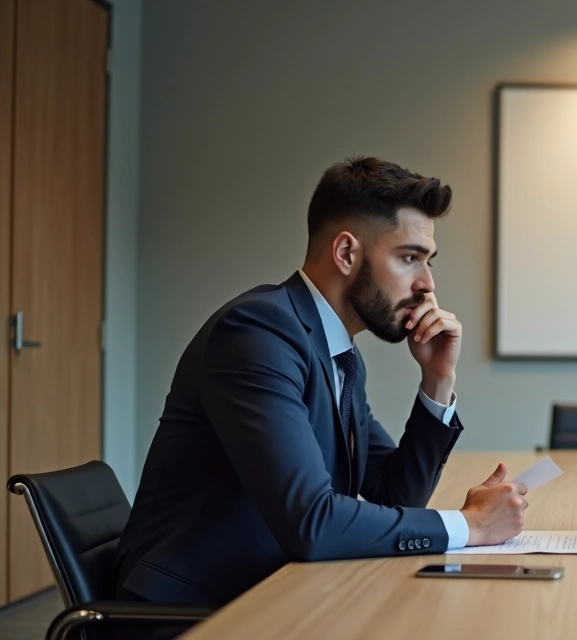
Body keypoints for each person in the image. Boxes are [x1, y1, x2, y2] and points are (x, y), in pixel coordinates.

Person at [115, 157, 528, 608]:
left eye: (428, 262)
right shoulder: (258, 333)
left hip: (277, 593)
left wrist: (437, 379)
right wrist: (470, 525)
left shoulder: (339, 355)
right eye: (410, 258)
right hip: (192, 613)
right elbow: (311, 522)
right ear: (346, 253)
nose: (427, 285)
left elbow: (395, 495)